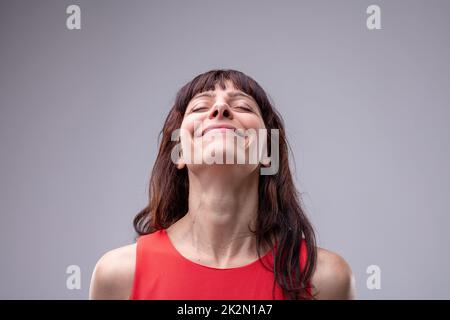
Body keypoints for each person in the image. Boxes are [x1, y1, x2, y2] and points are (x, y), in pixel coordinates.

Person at [89, 69, 356, 300]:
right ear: (179, 152)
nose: (220, 109)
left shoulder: (325, 278)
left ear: (268, 153)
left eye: (242, 106)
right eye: (200, 107)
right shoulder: (118, 275)